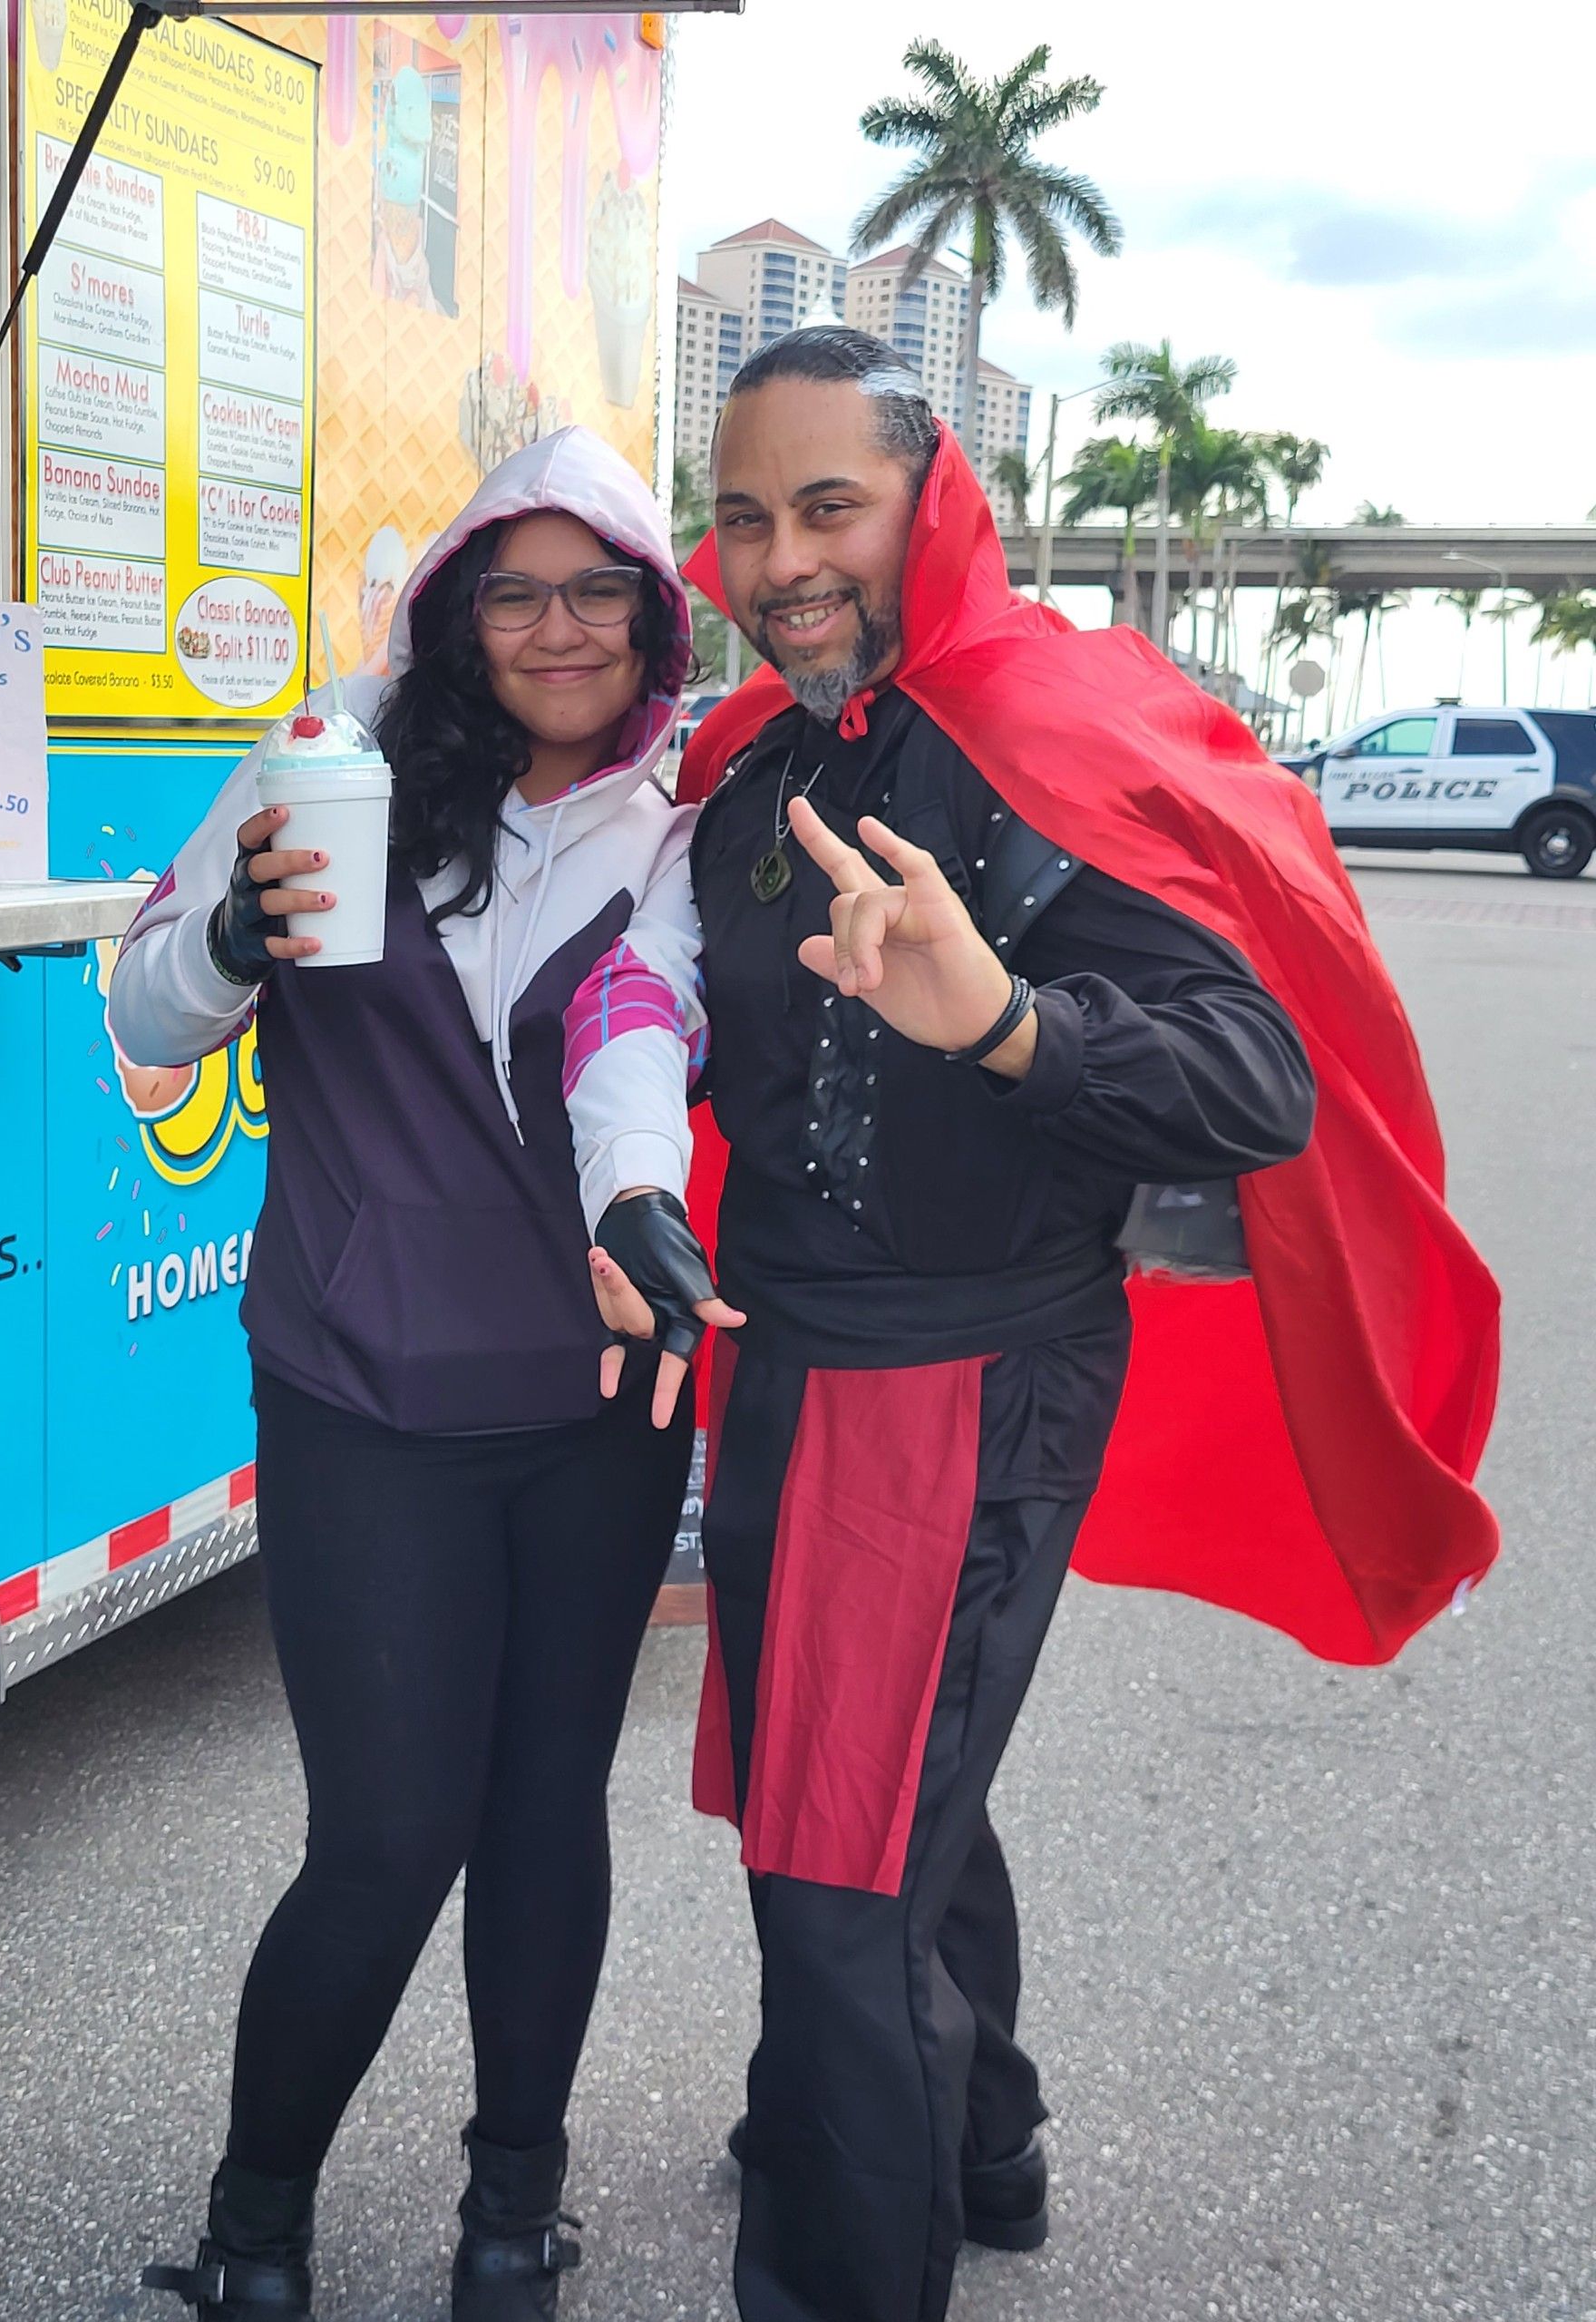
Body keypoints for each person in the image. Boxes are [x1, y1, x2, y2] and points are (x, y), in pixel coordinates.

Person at [579, 328, 1500, 2322]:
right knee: (877, 1793)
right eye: (745, 517)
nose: (783, 557)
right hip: (793, 1361)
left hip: (973, 1375)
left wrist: (1007, 1021)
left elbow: (1258, 1081)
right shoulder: (750, 755)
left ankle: (850, 2241)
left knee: (834, 1866)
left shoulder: (1053, 733)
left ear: (933, 500)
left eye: (830, 505)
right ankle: (972, 2136)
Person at [110, 428, 730, 2322]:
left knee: (549, 1797)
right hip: (367, 1388)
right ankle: (258, 2221)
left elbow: (648, 1017)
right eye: (516, 588)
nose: (559, 629)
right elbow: (139, 1010)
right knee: (388, 1831)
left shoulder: (684, 803)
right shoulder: (334, 754)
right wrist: (225, 938)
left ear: (653, 611)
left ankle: (507, 2212)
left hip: (601, 1394)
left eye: (597, 588)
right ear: (458, 604)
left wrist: (640, 1196)